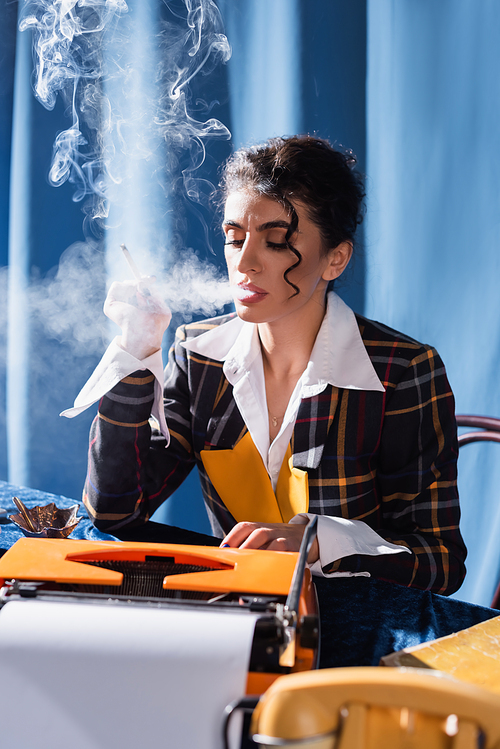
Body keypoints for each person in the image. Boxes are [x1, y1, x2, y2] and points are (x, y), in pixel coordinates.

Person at [66, 136, 496, 667]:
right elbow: (114, 510)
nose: (244, 262)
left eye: (274, 241)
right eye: (234, 236)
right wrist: (135, 353)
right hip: (234, 633)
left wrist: (316, 541)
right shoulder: (197, 357)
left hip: (356, 646)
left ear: (334, 259)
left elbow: (441, 563)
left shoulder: (401, 372)